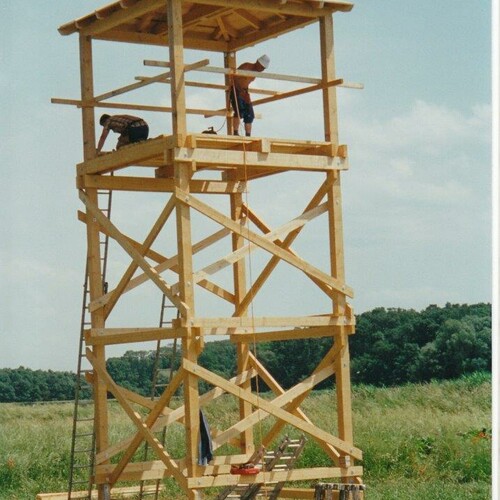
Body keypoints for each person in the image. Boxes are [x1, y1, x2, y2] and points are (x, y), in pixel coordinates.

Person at [229, 54, 270, 137]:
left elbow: (246, 83)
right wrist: (240, 91)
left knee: (250, 114)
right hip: (236, 90)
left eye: (263, 69)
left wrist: (246, 94)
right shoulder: (246, 66)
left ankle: (248, 135)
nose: (262, 70)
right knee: (239, 111)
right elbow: (234, 78)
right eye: (262, 67)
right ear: (258, 63)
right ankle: (235, 133)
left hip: (244, 91)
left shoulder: (255, 74)